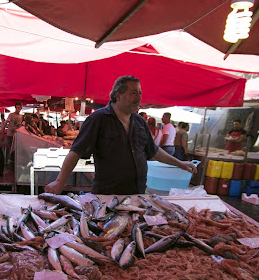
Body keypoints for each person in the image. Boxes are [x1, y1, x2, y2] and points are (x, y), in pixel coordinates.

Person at [45, 76, 196, 195]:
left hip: (137, 193)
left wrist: (181, 164)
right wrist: (60, 182)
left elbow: (154, 151)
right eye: (134, 93)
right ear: (118, 95)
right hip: (107, 195)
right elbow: (76, 152)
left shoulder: (140, 122)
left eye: (140, 93)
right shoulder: (98, 119)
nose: (139, 97)